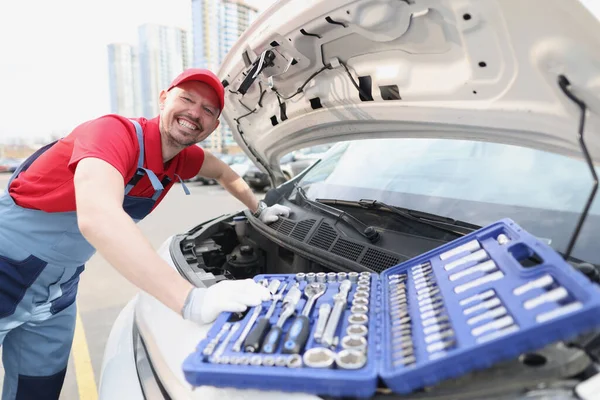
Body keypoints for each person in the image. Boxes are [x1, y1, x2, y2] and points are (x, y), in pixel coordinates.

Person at [0, 68, 291, 399]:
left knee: (37, 389)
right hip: (6, 267)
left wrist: (258, 210)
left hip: (57, 290)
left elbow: (226, 173)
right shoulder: (113, 133)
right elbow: (98, 217)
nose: (195, 113)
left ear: (213, 126)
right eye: (187, 99)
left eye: (208, 110)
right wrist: (190, 300)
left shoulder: (182, 160)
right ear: (164, 98)